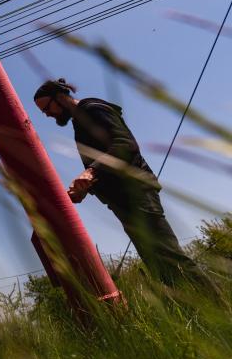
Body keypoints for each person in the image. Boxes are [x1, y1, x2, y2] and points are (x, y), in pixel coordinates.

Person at [32, 78, 210, 289]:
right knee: (160, 266)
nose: (47, 114)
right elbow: (107, 164)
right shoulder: (80, 121)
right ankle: (196, 312)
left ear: (60, 97)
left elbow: (125, 145)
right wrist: (85, 189)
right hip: (124, 201)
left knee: (170, 257)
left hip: (137, 194)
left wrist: (91, 171)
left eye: (47, 108)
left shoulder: (91, 109)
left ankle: (220, 312)